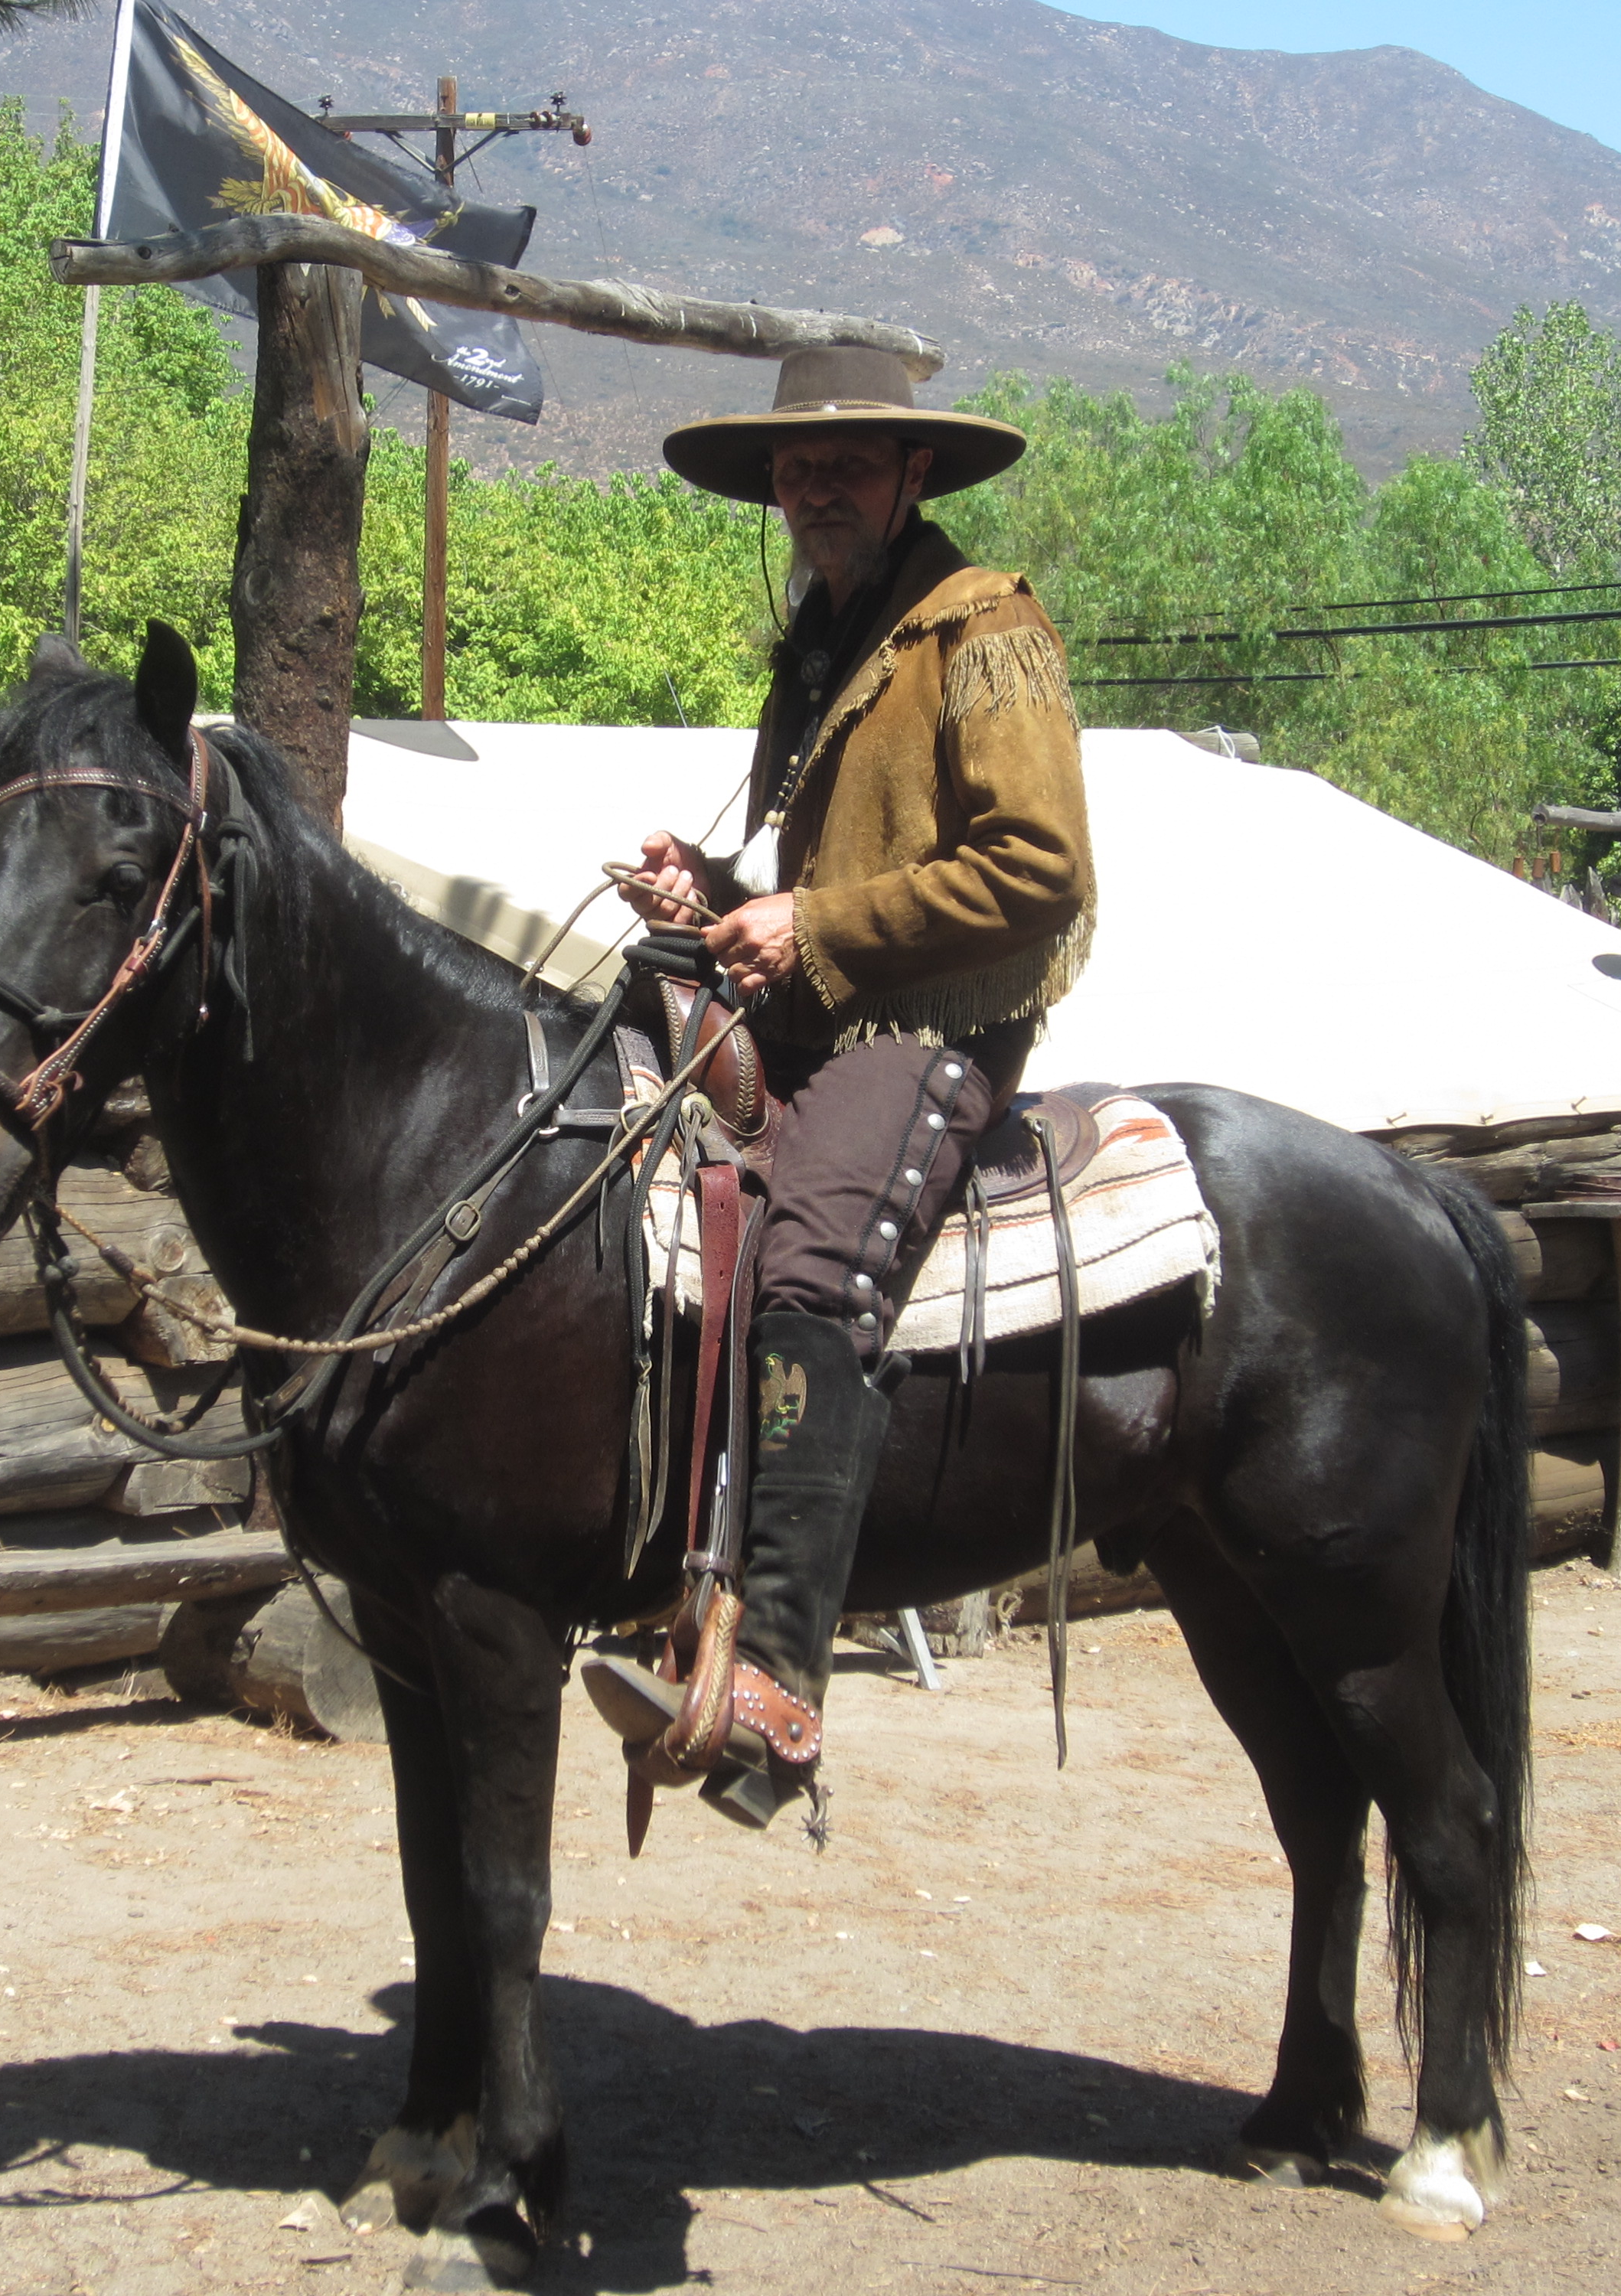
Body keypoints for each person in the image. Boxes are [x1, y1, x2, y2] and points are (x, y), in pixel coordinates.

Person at [582, 344, 1095, 1824]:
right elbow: (828, 879)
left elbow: (1040, 870)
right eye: (793, 470)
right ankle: (664, 1584)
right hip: (814, 1015)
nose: (811, 489)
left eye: (844, 464)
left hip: (929, 1030)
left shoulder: (982, 628)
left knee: (805, 1269)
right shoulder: (824, 639)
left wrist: (809, 923)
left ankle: (781, 1687)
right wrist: (718, 891)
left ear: (913, 472)